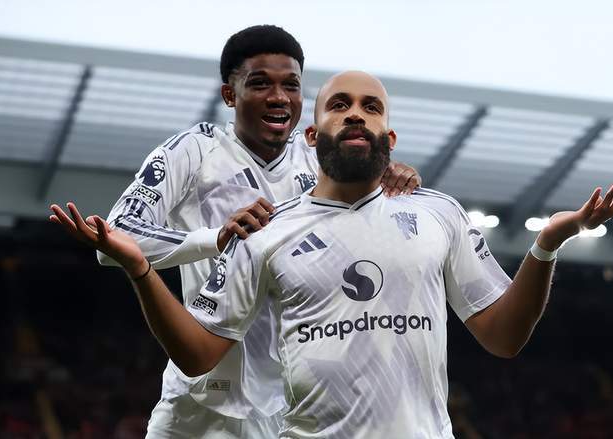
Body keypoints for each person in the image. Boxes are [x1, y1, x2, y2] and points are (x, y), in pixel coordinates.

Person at [51, 70, 613, 438]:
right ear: (311, 135)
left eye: (371, 107)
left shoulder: (438, 214)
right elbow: (199, 353)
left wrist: (546, 246)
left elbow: (503, 337)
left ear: (389, 139)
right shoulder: (265, 232)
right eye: (340, 105)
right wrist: (140, 269)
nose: (356, 112)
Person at [88, 26, 421, 438]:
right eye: (260, 83)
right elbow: (116, 235)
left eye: (291, 85)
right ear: (230, 95)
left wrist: (397, 177)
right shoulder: (194, 151)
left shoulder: (319, 158)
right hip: (198, 407)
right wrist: (214, 238)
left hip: (295, 408)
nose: (279, 97)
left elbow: (374, 212)